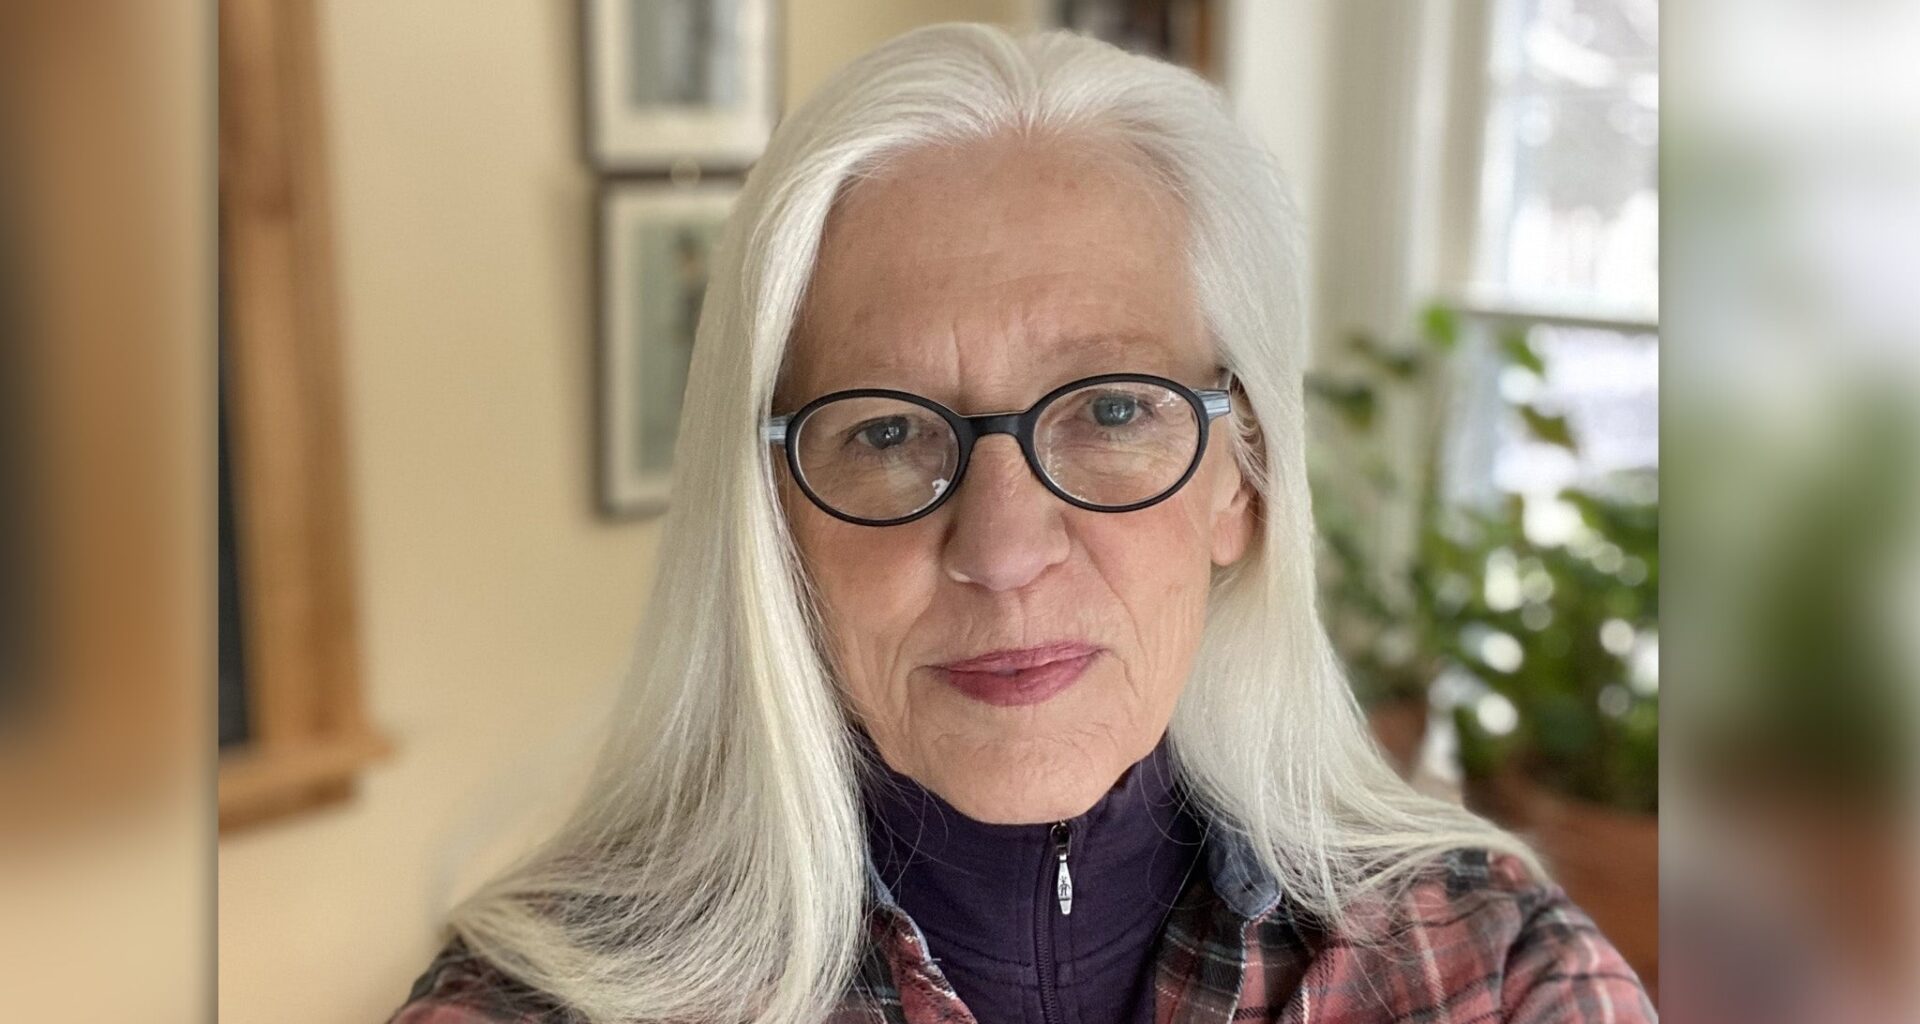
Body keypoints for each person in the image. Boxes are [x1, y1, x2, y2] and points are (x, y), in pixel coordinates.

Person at [388, 22, 1656, 1024]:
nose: (1002, 550)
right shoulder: (530, 1008)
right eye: (886, 433)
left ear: (1244, 482)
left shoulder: (1498, 979)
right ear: (769, 516)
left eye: (1111, 410)